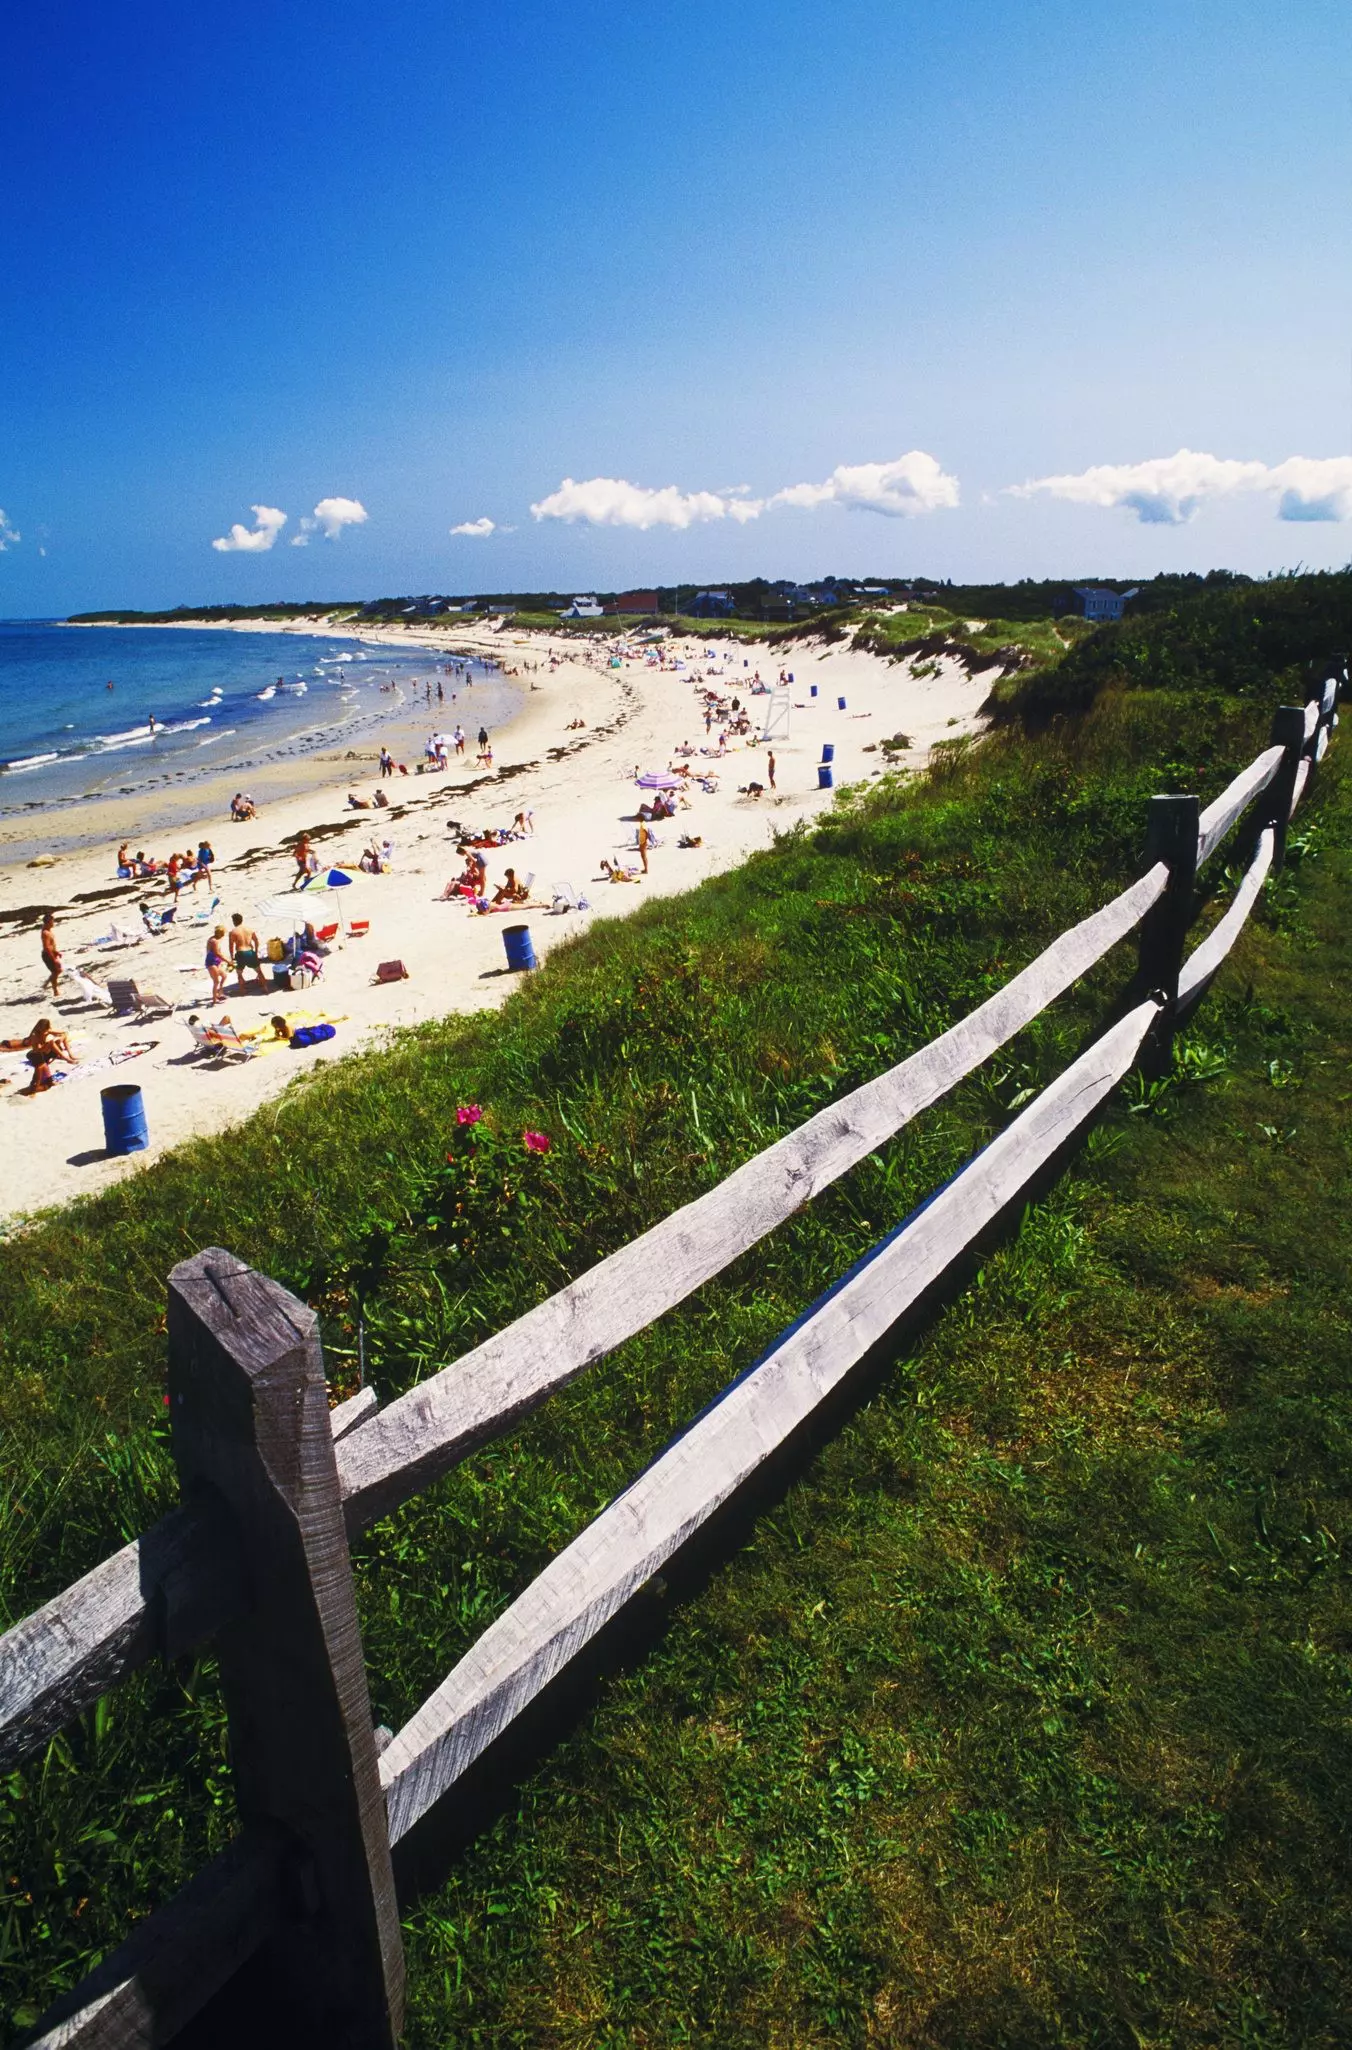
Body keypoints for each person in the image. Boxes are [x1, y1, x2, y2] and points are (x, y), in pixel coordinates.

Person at [228, 912, 269, 992]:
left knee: (239, 974)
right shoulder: (249, 929)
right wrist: (256, 952)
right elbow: (256, 941)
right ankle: (265, 988)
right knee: (259, 972)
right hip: (250, 952)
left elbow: (231, 946)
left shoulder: (233, 932)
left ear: (234, 921)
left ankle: (242, 990)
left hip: (240, 953)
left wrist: (232, 957)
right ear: (241, 920)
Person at [205, 925, 230, 1003]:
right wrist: (228, 961)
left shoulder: (213, 939)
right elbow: (217, 953)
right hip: (211, 963)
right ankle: (214, 1000)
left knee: (224, 976)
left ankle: (219, 993)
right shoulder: (214, 941)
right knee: (216, 982)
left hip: (216, 961)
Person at [40, 912, 61, 999]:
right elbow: (47, 947)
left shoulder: (48, 931)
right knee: (56, 971)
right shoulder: (45, 933)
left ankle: (46, 984)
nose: (54, 923)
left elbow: (52, 945)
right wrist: (53, 958)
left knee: (57, 971)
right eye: (52, 921)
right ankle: (55, 991)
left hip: (51, 953)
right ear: (48, 922)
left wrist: (56, 952)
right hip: (48, 955)